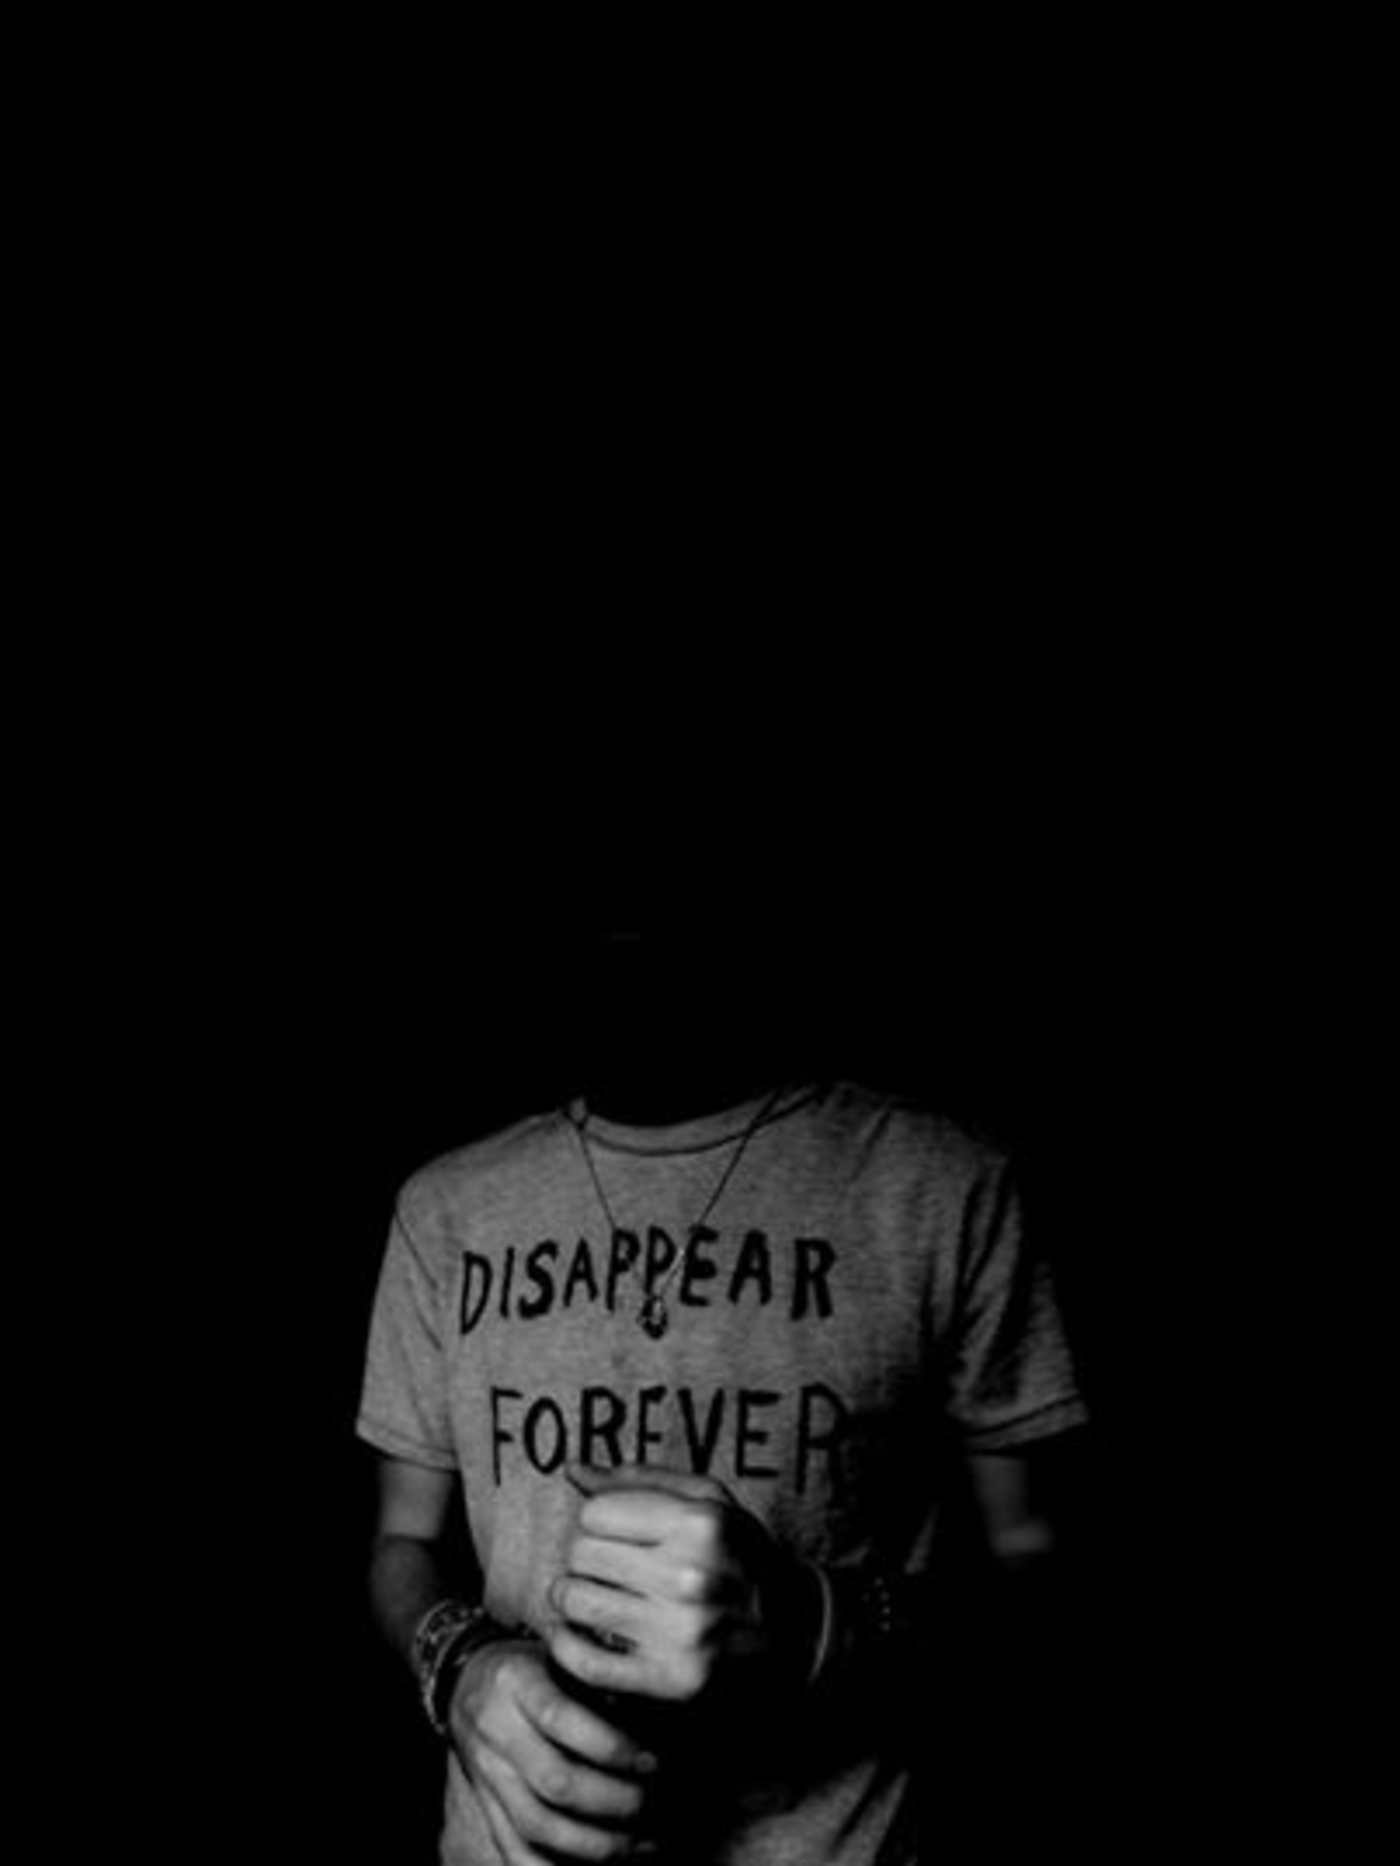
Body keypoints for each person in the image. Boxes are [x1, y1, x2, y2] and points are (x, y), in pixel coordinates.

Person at [357, 913, 1091, 1863]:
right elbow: (402, 1541)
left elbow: (1036, 1571)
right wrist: (460, 1668)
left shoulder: (944, 1184)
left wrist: (810, 1623)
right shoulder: (444, 1207)